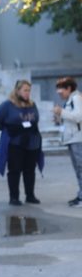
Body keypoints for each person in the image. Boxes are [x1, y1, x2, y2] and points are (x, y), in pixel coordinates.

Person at [0, 79, 43, 205]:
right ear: (17, 90)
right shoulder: (8, 105)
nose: (27, 93)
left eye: (29, 90)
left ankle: (30, 195)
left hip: (32, 143)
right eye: (25, 90)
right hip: (15, 143)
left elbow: (36, 119)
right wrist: (7, 129)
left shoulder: (32, 104)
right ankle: (14, 197)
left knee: (30, 170)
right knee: (15, 170)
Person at [52, 76, 82, 207]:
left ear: (69, 88)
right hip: (72, 138)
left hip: (78, 139)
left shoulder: (76, 98)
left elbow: (78, 117)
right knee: (78, 169)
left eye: (61, 91)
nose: (60, 94)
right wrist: (59, 118)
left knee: (80, 168)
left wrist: (61, 112)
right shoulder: (71, 99)